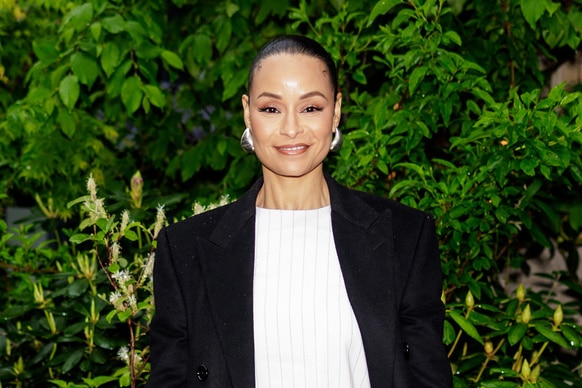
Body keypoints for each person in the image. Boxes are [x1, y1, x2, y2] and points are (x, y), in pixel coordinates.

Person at [147, 34, 452, 387]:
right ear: (247, 112)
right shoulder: (186, 249)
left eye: (310, 108)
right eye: (271, 109)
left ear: (336, 111)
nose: (291, 128)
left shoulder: (404, 236)